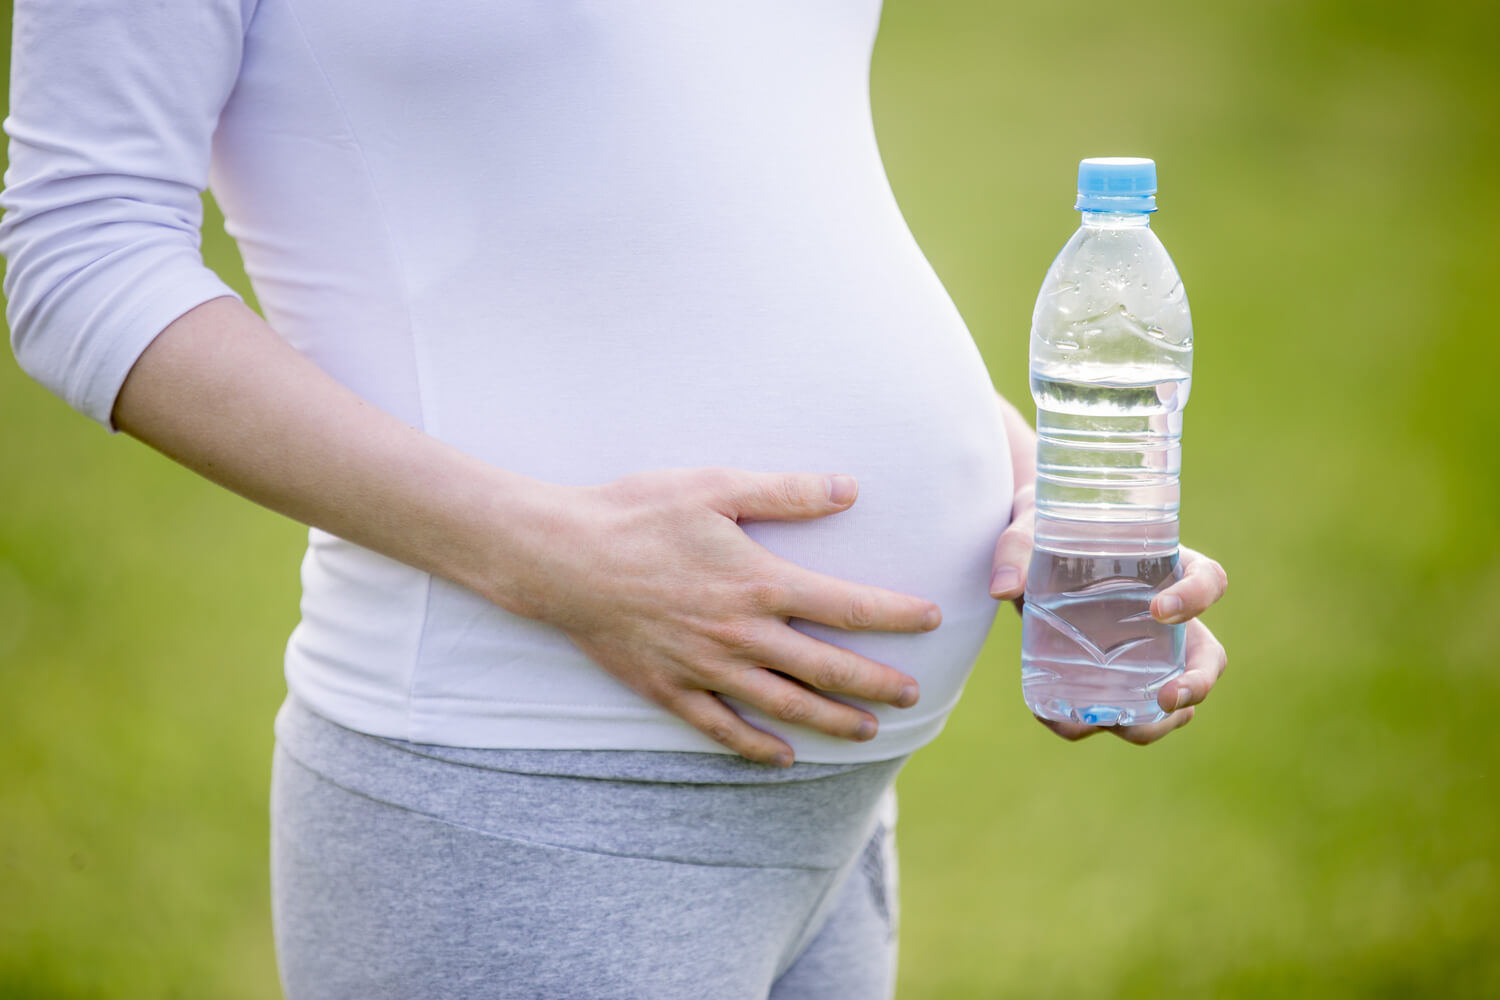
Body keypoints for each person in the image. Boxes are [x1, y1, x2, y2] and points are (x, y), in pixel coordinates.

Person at [1, 2, 1228, 997]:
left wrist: (1040, 493)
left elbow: (728, 179)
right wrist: (551, 557)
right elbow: (79, 250)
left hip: (836, 811)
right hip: (520, 798)